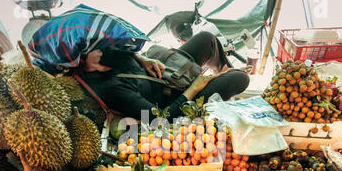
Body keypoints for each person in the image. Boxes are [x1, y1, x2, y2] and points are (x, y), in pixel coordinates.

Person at [75, 31, 249, 121]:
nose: (96, 46)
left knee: (207, 39)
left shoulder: (105, 51)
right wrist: (195, 87)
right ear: (80, 59)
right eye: (89, 47)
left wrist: (143, 59)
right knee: (240, 78)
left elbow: (129, 53)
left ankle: (219, 76)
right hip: (174, 99)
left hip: (168, 73)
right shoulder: (112, 89)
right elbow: (160, 119)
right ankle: (220, 82)